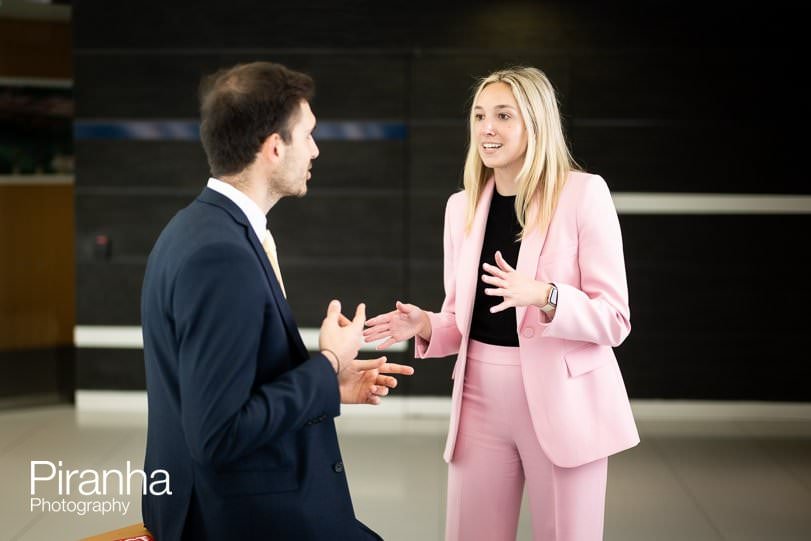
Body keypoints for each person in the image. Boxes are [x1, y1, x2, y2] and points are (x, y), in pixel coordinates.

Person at [140, 61, 414, 541]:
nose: (315, 149)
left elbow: (230, 388)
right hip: (235, 515)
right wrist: (328, 362)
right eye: (306, 135)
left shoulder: (196, 228)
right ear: (272, 147)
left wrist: (330, 385)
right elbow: (218, 434)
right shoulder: (220, 255)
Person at [364, 66, 639, 541]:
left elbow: (615, 320)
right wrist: (425, 324)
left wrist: (546, 297)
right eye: (479, 115)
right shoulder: (462, 207)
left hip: (563, 401)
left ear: (535, 123)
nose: (487, 128)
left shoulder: (583, 194)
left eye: (503, 115)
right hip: (479, 401)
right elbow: (458, 321)